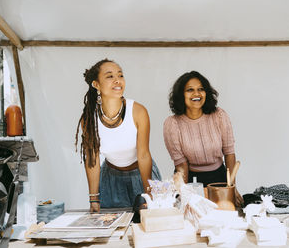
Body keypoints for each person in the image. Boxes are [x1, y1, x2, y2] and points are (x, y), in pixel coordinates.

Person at [75, 59, 161, 212]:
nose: (118, 80)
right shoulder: (89, 119)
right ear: (96, 84)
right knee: (114, 227)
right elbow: (92, 160)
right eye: (109, 76)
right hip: (110, 179)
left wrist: (149, 191)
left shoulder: (138, 111)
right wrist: (93, 198)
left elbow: (143, 155)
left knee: (148, 224)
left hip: (142, 175)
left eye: (120, 75)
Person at [163, 71, 243, 206]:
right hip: (192, 180)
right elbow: (181, 165)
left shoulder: (219, 116)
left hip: (220, 177)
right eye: (190, 90)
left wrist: (232, 188)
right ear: (181, 95)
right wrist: (184, 194)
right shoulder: (172, 124)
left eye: (201, 89)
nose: (196, 94)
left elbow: (229, 153)